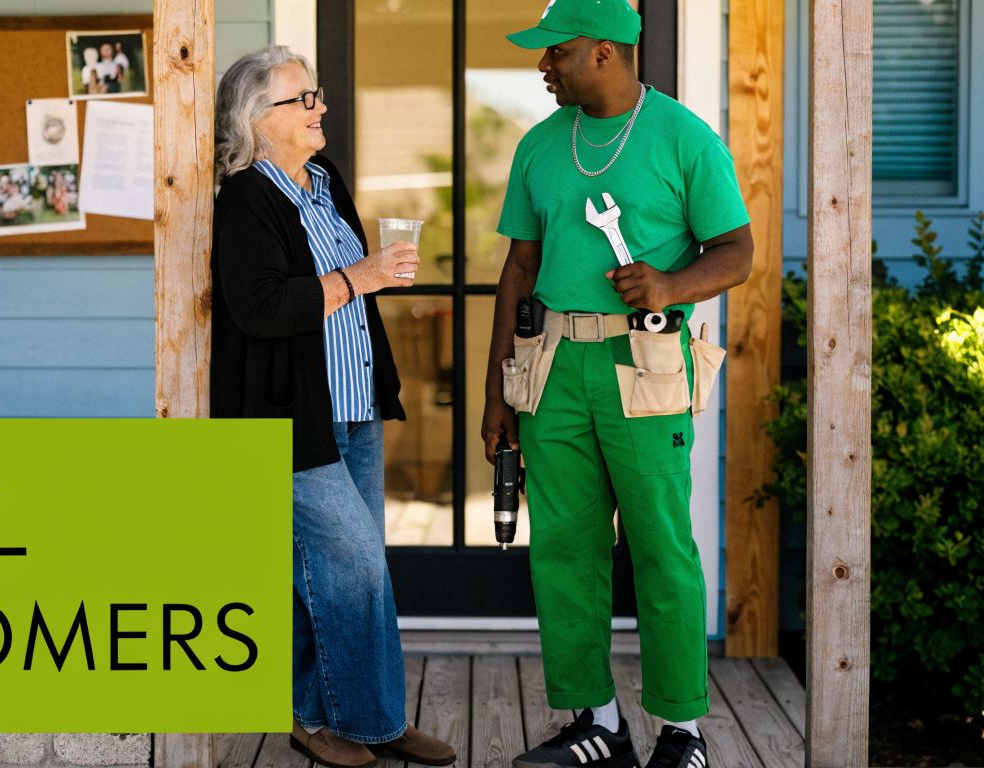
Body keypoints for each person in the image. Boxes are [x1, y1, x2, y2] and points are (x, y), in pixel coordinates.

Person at [481, 2, 754, 768]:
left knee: (662, 549)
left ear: (604, 51)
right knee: (564, 549)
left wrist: (670, 283)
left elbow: (736, 251)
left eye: (555, 52)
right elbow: (520, 271)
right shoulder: (539, 146)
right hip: (554, 367)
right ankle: (595, 722)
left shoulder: (684, 138)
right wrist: (497, 391)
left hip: (647, 366)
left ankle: (682, 732)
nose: (542, 65)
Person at [210, 45, 457, 768]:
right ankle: (327, 720)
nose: (321, 108)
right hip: (286, 417)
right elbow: (260, 308)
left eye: (316, 97)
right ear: (259, 119)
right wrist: (361, 275)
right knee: (348, 564)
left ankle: (368, 719)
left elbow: (345, 288)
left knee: (354, 565)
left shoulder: (322, 181)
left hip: (352, 407)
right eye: (303, 99)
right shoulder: (247, 199)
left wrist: (370, 280)